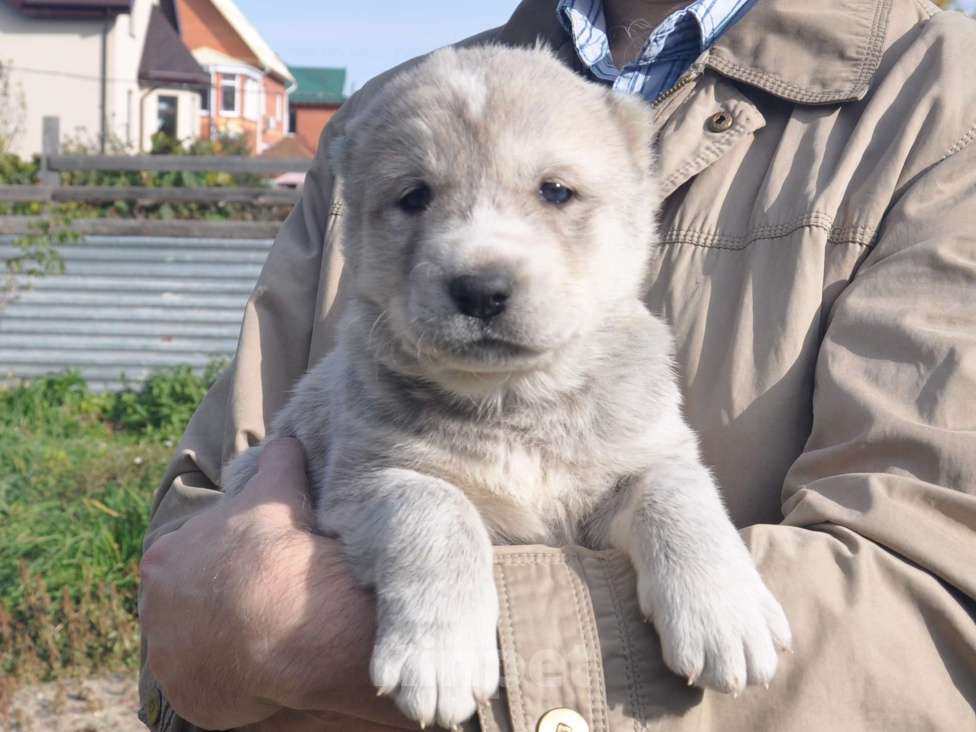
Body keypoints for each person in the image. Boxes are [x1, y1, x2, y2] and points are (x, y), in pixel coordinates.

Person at [137, 0, 976, 729]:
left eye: (555, 193)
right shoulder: (388, 109)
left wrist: (305, 635)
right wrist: (197, 660)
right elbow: (197, 547)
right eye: (416, 199)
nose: (476, 258)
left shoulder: (942, 107)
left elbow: (934, 612)